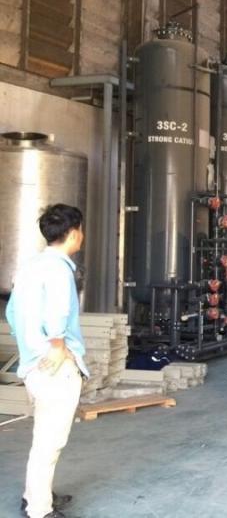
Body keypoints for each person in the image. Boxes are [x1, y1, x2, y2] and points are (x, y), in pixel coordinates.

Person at [6, 204, 88, 518]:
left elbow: (12, 313)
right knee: (50, 442)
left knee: (43, 437)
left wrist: (31, 346)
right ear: (74, 233)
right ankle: (39, 510)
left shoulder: (30, 266)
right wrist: (55, 346)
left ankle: (35, 495)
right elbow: (58, 312)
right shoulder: (59, 269)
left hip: (33, 364)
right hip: (54, 367)